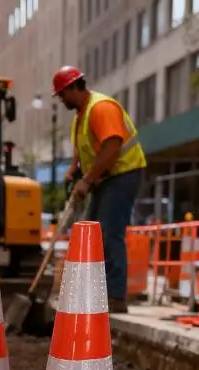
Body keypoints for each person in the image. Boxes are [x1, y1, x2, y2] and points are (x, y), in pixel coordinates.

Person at [53, 66, 147, 314]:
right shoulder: (82, 115)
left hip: (122, 174)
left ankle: (116, 297)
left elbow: (112, 146)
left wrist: (88, 180)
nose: (61, 99)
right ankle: (92, 293)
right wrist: (74, 170)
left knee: (109, 233)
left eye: (62, 94)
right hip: (105, 178)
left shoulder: (101, 108)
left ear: (74, 88)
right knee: (89, 232)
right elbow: (82, 148)